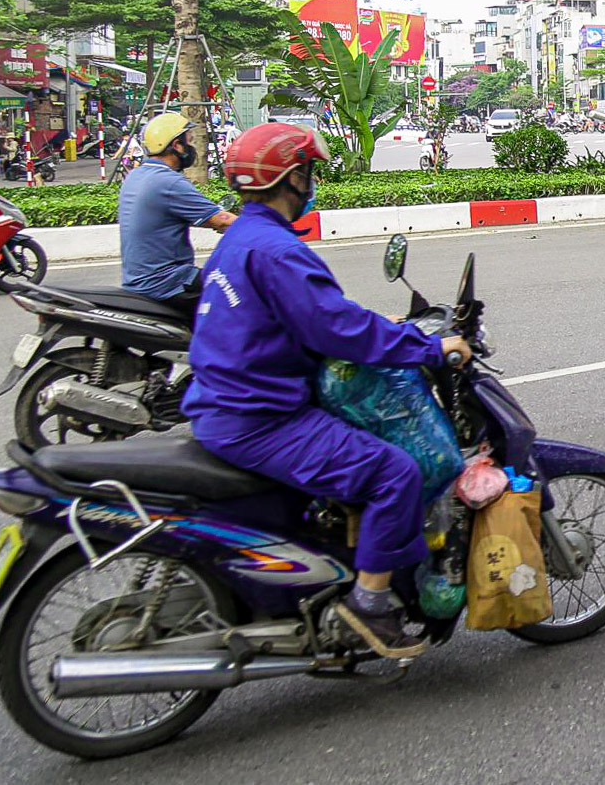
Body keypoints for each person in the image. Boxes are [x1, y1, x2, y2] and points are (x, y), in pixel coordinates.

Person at [181, 122, 473, 659]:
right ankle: (370, 605)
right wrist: (430, 348)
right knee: (396, 473)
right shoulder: (276, 250)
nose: (311, 180)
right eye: (309, 171)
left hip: (225, 403)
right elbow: (336, 328)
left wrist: (375, 326)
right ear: (293, 177)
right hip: (262, 419)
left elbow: (308, 319)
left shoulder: (241, 239)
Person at [118, 113, 236, 307]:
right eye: (189, 142)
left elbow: (170, 216)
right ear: (176, 146)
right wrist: (262, 232)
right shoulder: (168, 182)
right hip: (168, 284)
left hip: (138, 282)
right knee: (241, 294)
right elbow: (221, 219)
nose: (192, 148)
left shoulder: (136, 176)